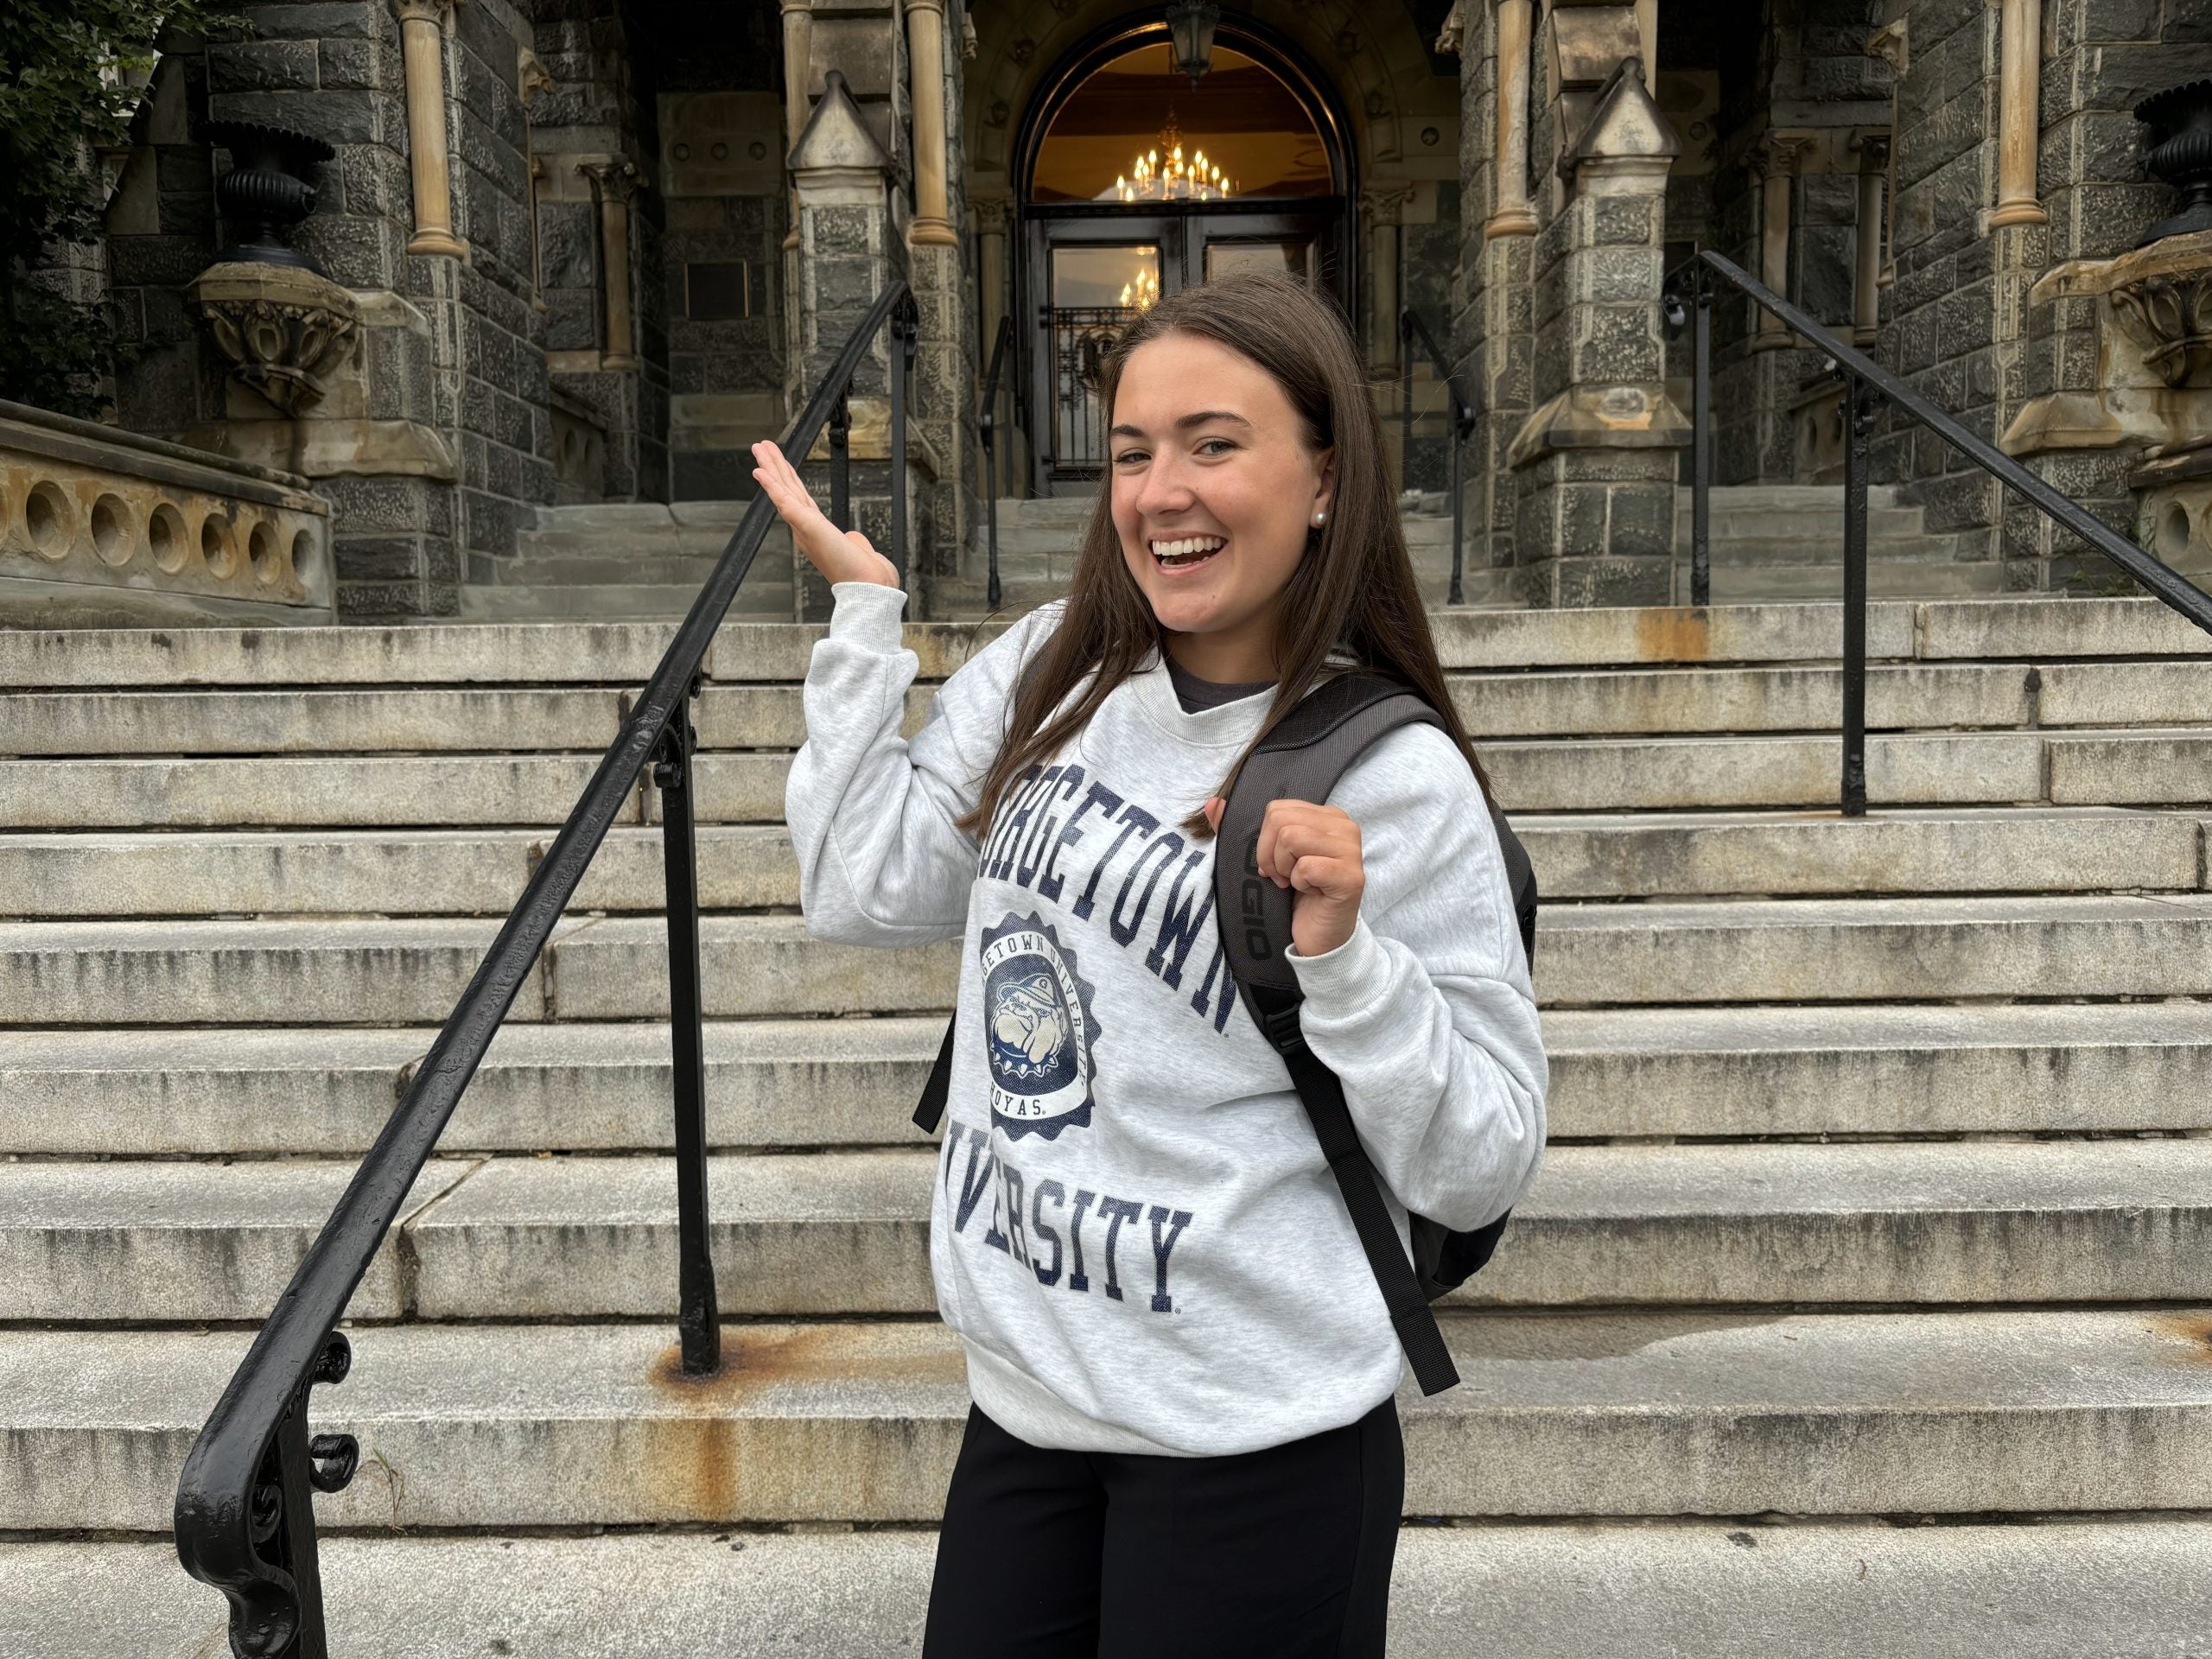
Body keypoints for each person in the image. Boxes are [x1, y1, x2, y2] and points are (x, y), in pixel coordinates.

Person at [752, 268, 1547, 1659]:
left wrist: (1349, 963)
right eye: (1131, 450)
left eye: (1214, 444)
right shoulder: (1044, 676)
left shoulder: (1397, 777)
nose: (1159, 490)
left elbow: (1479, 1163)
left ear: (1324, 480)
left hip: (1258, 1438)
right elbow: (860, 885)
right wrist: (865, 624)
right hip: (1028, 1408)